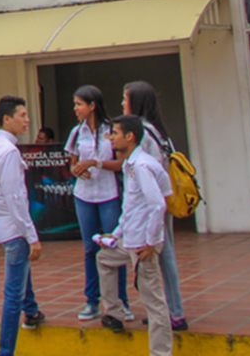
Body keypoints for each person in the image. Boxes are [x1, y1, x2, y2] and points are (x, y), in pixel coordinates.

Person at [96, 115, 173, 356]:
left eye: (115, 133)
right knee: (104, 259)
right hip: (130, 239)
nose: (111, 138)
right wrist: (115, 234)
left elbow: (158, 205)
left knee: (154, 303)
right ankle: (114, 312)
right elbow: (130, 207)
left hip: (142, 245)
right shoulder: (131, 164)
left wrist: (151, 243)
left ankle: (161, 352)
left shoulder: (141, 166)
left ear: (129, 137)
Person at [0, 96, 45, 356]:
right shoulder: (8, 153)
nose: (27, 120)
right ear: (7, 119)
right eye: (22, 115)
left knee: (20, 271)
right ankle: (5, 351)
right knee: (13, 294)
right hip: (13, 228)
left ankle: (32, 310)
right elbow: (15, 197)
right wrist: (31, 235)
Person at [123, 81, 187, 332]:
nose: (122, 104)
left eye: (125, 99)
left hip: (153, 204)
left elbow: (149, 170)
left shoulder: (144, 133)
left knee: (164, 254)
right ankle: (169, 310)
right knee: (166, 254)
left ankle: (174, 312)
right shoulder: (159, 131)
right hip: (160, 200)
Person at [65, 85, 131, 323]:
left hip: (108, 195)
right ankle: (92, 301)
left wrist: (96, 163)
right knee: (90, 248)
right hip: (84, 196)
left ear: (92, 105)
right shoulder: (76, 132)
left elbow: (121, 163)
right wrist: (77, 170)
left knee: (113, 247)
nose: (75, 109)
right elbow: (73, 163)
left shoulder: (112, 130)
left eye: (79, 104)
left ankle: (121, 301)